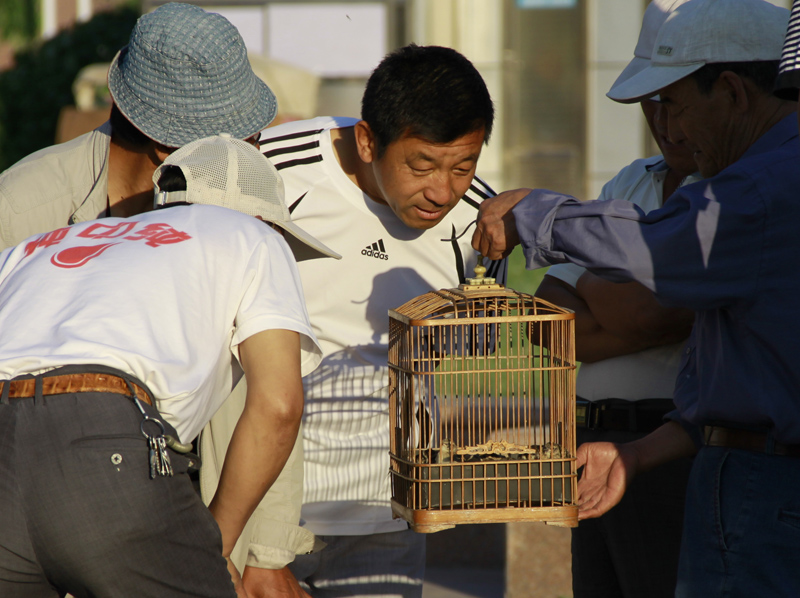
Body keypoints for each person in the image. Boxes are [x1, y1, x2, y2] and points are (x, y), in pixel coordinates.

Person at [472, 0, 800, 595]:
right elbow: (724, 396)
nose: (666, 124)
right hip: (709, 464)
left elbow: (659, 272)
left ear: (731, 90)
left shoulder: (757, 188)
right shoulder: (697, 179)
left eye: (673, 102)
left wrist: (540, 215)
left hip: (765, 489)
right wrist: (633, 456)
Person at [200, 43, 507, 598]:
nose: (443, 191)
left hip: (385, 511)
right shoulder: (268, 172)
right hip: (256, 499)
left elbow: (465, 356)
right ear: (367, 141)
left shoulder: (479, 221)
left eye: (463, 166)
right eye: (422, 166)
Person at [0, 134, 340, 598]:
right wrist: (215, 547)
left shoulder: (45, 243)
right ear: (265, 219)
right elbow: (279, 405)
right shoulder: (254, 236)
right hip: (103, 446)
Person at [535, 2, 696, 596]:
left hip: (667, 447)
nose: (661, 117)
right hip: (590, 443)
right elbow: (546, 323)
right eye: (651, 100)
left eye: (673, 98)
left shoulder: (731, 194)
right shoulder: (631, 180)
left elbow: (657, 314)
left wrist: (595, 289)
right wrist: (631, 301)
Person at [0, 2, 276, 251]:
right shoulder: (18, 216)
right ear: (167, 149)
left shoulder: (228, 209)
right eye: (244, 144)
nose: (255, 156)